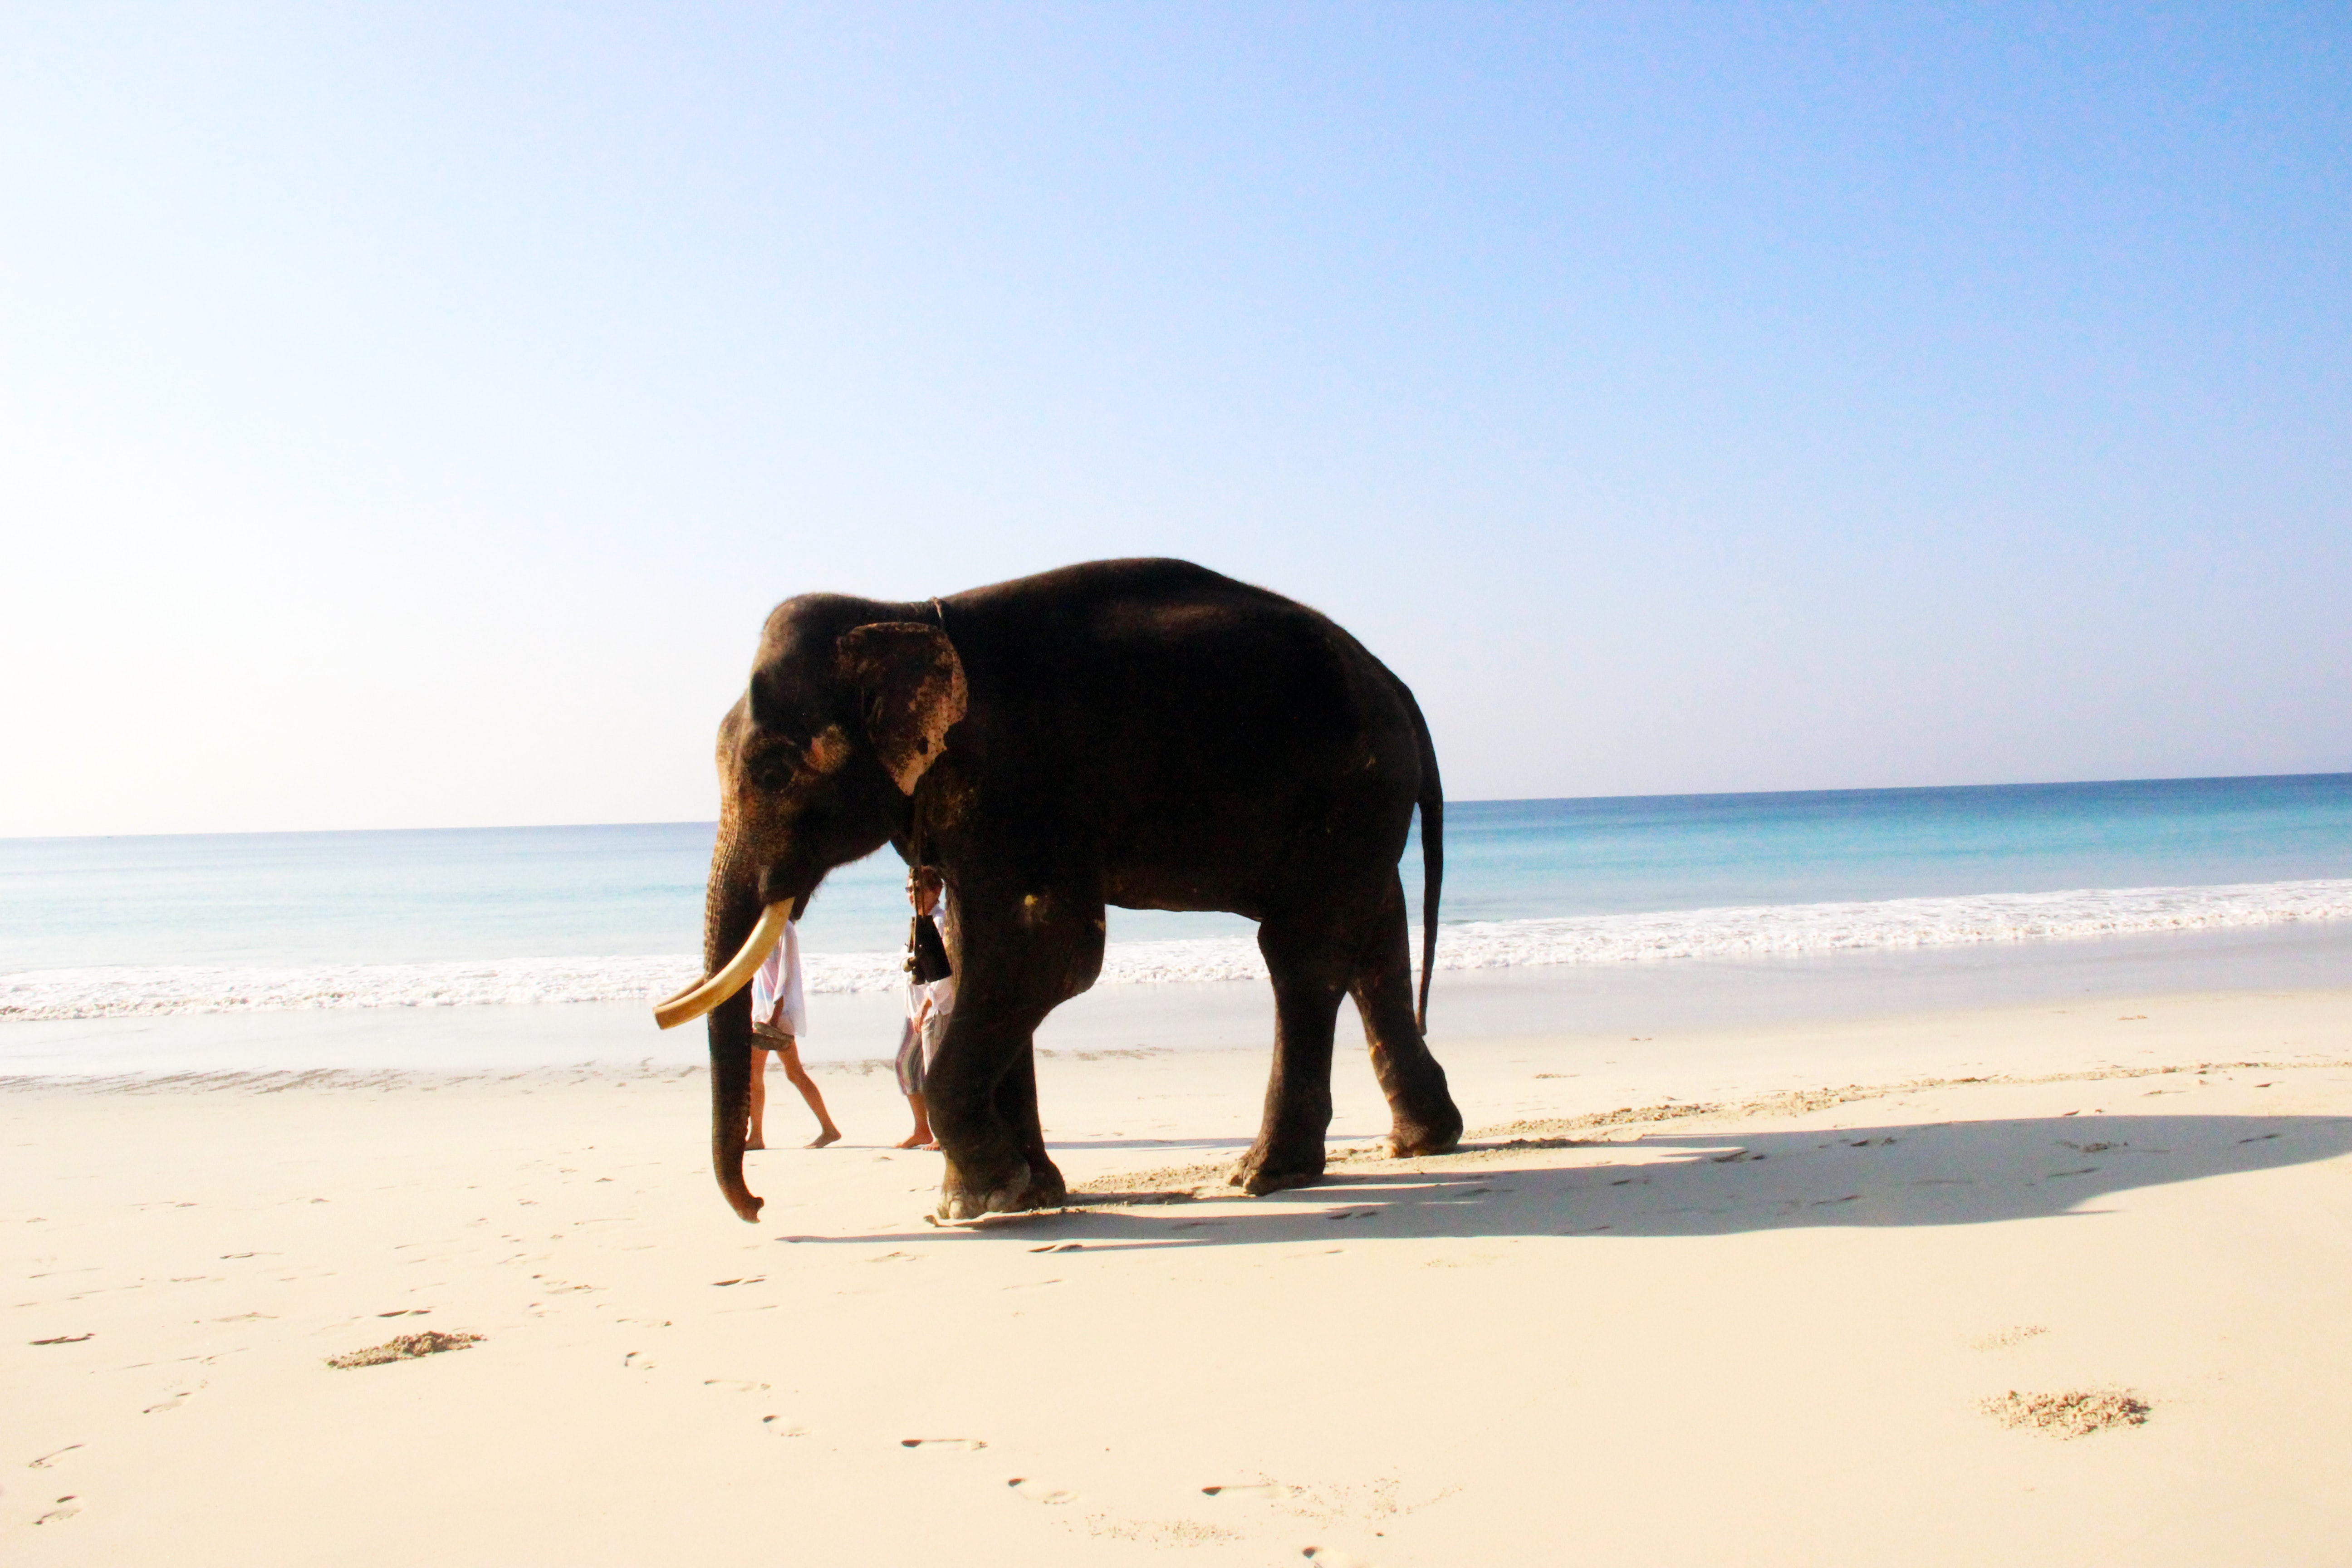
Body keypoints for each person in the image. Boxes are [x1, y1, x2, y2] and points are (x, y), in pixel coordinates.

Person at [746, 915, 841, 1150]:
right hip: (764, 1010)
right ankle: (829, 1129)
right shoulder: (764, 925)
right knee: (793, 1073)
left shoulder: (784, 928)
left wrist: (774, 1016)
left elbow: (786, 973)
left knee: (756, 1073)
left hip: (775, 1015)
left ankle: (756, 1136)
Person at [893, 867, 956, 1150]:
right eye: (909, 890)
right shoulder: (920, 921)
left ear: (936, 891)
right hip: (916, 1009)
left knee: (934, 1071)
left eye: (918, 889)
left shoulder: (943, 922)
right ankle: (922, 1129)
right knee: (906, 1064)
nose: (912, 896)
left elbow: (944, 972)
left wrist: (927, 1005)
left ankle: (945, 1133)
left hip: (935, 1008)